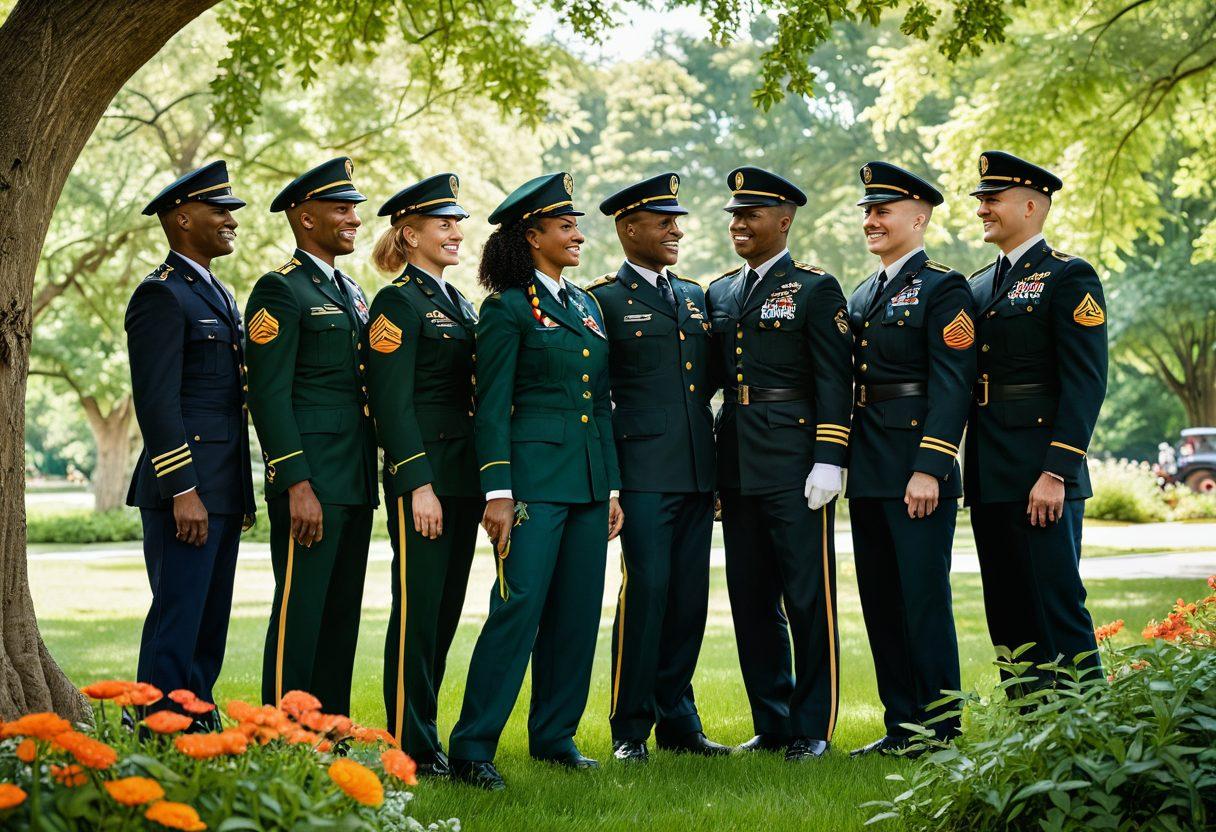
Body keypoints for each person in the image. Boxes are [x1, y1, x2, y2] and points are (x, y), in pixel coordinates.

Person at [448, 172, 624, 790]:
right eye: (566, 226)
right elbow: (490, 407)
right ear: (532, 235)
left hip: (586, 486)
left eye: (576, 226)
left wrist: (610, 488)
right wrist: (498, 492)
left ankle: (554, 737)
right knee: (517, 610)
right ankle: (472, 748)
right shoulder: (506, 309)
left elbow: (600, 404)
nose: (578, 236)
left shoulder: (586, 306)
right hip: (530, 487)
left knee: (577, 614)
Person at [704, 166, 853, 761]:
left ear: (785, 221)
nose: (739, 224)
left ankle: (813, 726)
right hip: (737, 460)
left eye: (752, 215)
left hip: (796, 462)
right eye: (734, 216)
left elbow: (835, 380)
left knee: (808, 598)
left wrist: (829, 458)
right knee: (751, 599)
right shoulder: (719, 292)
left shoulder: (816, 288)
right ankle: (773, 721)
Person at [588, 172, 728, 762]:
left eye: (678, 222)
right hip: (641, 475)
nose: (677, 231)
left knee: (689, 602)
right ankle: (630, 728)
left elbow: (708, 383)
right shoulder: (601, 300)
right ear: (628, 229)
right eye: (664, 222)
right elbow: (594, 397)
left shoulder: (694, 295)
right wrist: (612, 482)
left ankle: (679, 722)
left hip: (696, 472)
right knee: (646, 596)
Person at [844, 162, 974, 756]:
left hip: (918, 469)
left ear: (918, 219)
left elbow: (953, 383)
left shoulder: (945, 287)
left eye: (884, 211)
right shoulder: (863, 292)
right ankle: (902, 726)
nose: (871, 221)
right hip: (870, 466)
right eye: (868, 212)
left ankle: (942, 728)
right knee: (881, 602)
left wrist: (931, 467)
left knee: (923, 600)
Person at [965, 150, 1108, 686]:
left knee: (1057, 604)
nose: (982, 209)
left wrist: (1057, 472)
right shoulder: (978, 284)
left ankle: (1088, 721)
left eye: (992, 200)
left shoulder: (1069, 276)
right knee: (1006, 610)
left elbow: (1086, 382)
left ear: (1030, 206)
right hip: (990, 470)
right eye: (981, 200)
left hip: (1040, 472)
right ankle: (1028, 723)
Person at [244, 156, 379, 716]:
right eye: (341, 209)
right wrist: (296, 482)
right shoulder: (280, 290)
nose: (354, 218)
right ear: (305, 218)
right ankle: (282, 731)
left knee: (342, 613)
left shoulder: (352, 290)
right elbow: (268, 395)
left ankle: (329, 727)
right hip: (313, 480)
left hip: (354, 478)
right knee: (300, 611)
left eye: (355, 209)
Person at [125, 160, 254, 728]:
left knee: (209, 619)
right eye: (219, 210)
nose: (231, 220)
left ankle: (197, 720)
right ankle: (155, 725)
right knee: (177, 616)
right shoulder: (160, 295)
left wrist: (237, 490)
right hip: (185, 488)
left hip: (221, 485)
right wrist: (183, 489)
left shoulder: (217, 292)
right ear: (182, 218)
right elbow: (157, 403)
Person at [365, 173, 480, 778]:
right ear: (410, 235)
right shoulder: (397, 303)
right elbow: (391, 404)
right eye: (444, 224)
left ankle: (425, 735)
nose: (456, 232)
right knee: (417, 612)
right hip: (427, 481)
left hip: (463, 477)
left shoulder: (457, 301)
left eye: (458, 223)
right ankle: (409, 743)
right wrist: (418, 485)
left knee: (444, 612)